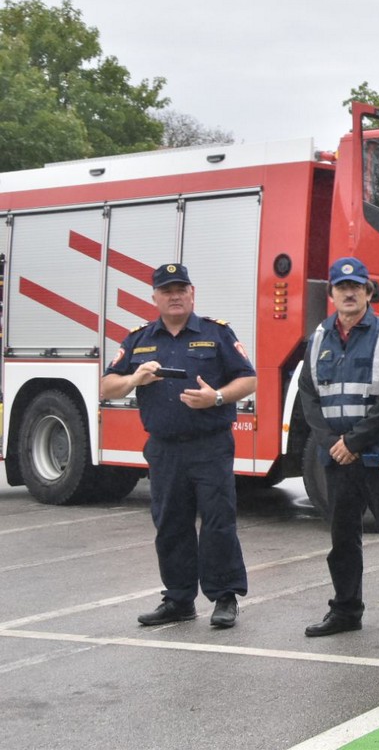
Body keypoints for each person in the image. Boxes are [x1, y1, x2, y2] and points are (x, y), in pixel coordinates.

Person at [100, 263, 257, 628]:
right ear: (154, 297)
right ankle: (178, 599)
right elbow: (107, 386)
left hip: (210, 445)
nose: (174, 296)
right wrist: (135, 378)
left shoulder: (216, 333)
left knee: (219, 521)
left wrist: (216, 397)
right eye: (166, 290)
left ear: (192, 294)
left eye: (180, 289)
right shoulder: (139, 338)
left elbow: (248, 380)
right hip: (164, 448)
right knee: (170, 523)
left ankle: (224, 597)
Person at [298, 257, 379, 639]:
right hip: (335, 458)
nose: (348, 293)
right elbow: (309, 396)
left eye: (356, 287)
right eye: (341, 288)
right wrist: (330, 443)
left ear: (368, 292)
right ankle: (345, 611)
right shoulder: (319, 337)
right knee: (342, 540)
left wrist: (355, 441)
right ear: (330, 294)